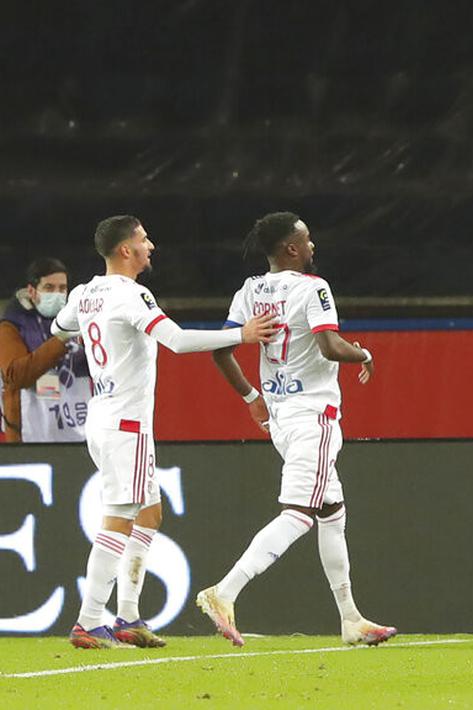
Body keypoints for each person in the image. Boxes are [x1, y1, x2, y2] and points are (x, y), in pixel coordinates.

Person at [51, 215, 277, 649]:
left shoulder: (84, 293)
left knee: (149, 513)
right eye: (143, 239)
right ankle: (88, 620)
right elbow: (176, 340)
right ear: (125, 250)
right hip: (126, 423)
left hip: (102, 415)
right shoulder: (132, 294)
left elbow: (59, 328)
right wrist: (241, 335)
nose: (150, 245)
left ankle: (128, 617)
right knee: (119, 517)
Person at [197, 212, 396, 648]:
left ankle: (351, 619)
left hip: (280, 417)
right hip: (313, 415)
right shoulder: (313, 288)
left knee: (332, 511)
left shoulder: (249, 290)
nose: (312, 246)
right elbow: (330, 345)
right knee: (299, 514)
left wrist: (251, 397)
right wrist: (363, 354)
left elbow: (221, 350)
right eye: (306, 240)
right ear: (291, 248)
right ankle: (224, 591)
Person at [1, 258, 91, 442]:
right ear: (32, 291)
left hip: (79, 430)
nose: (57, 294)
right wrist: (61, 340)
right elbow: (16, 376)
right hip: (31, 434)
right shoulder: (11, 326)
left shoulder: (80, 323)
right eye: (49, 288)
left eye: (62, 288)